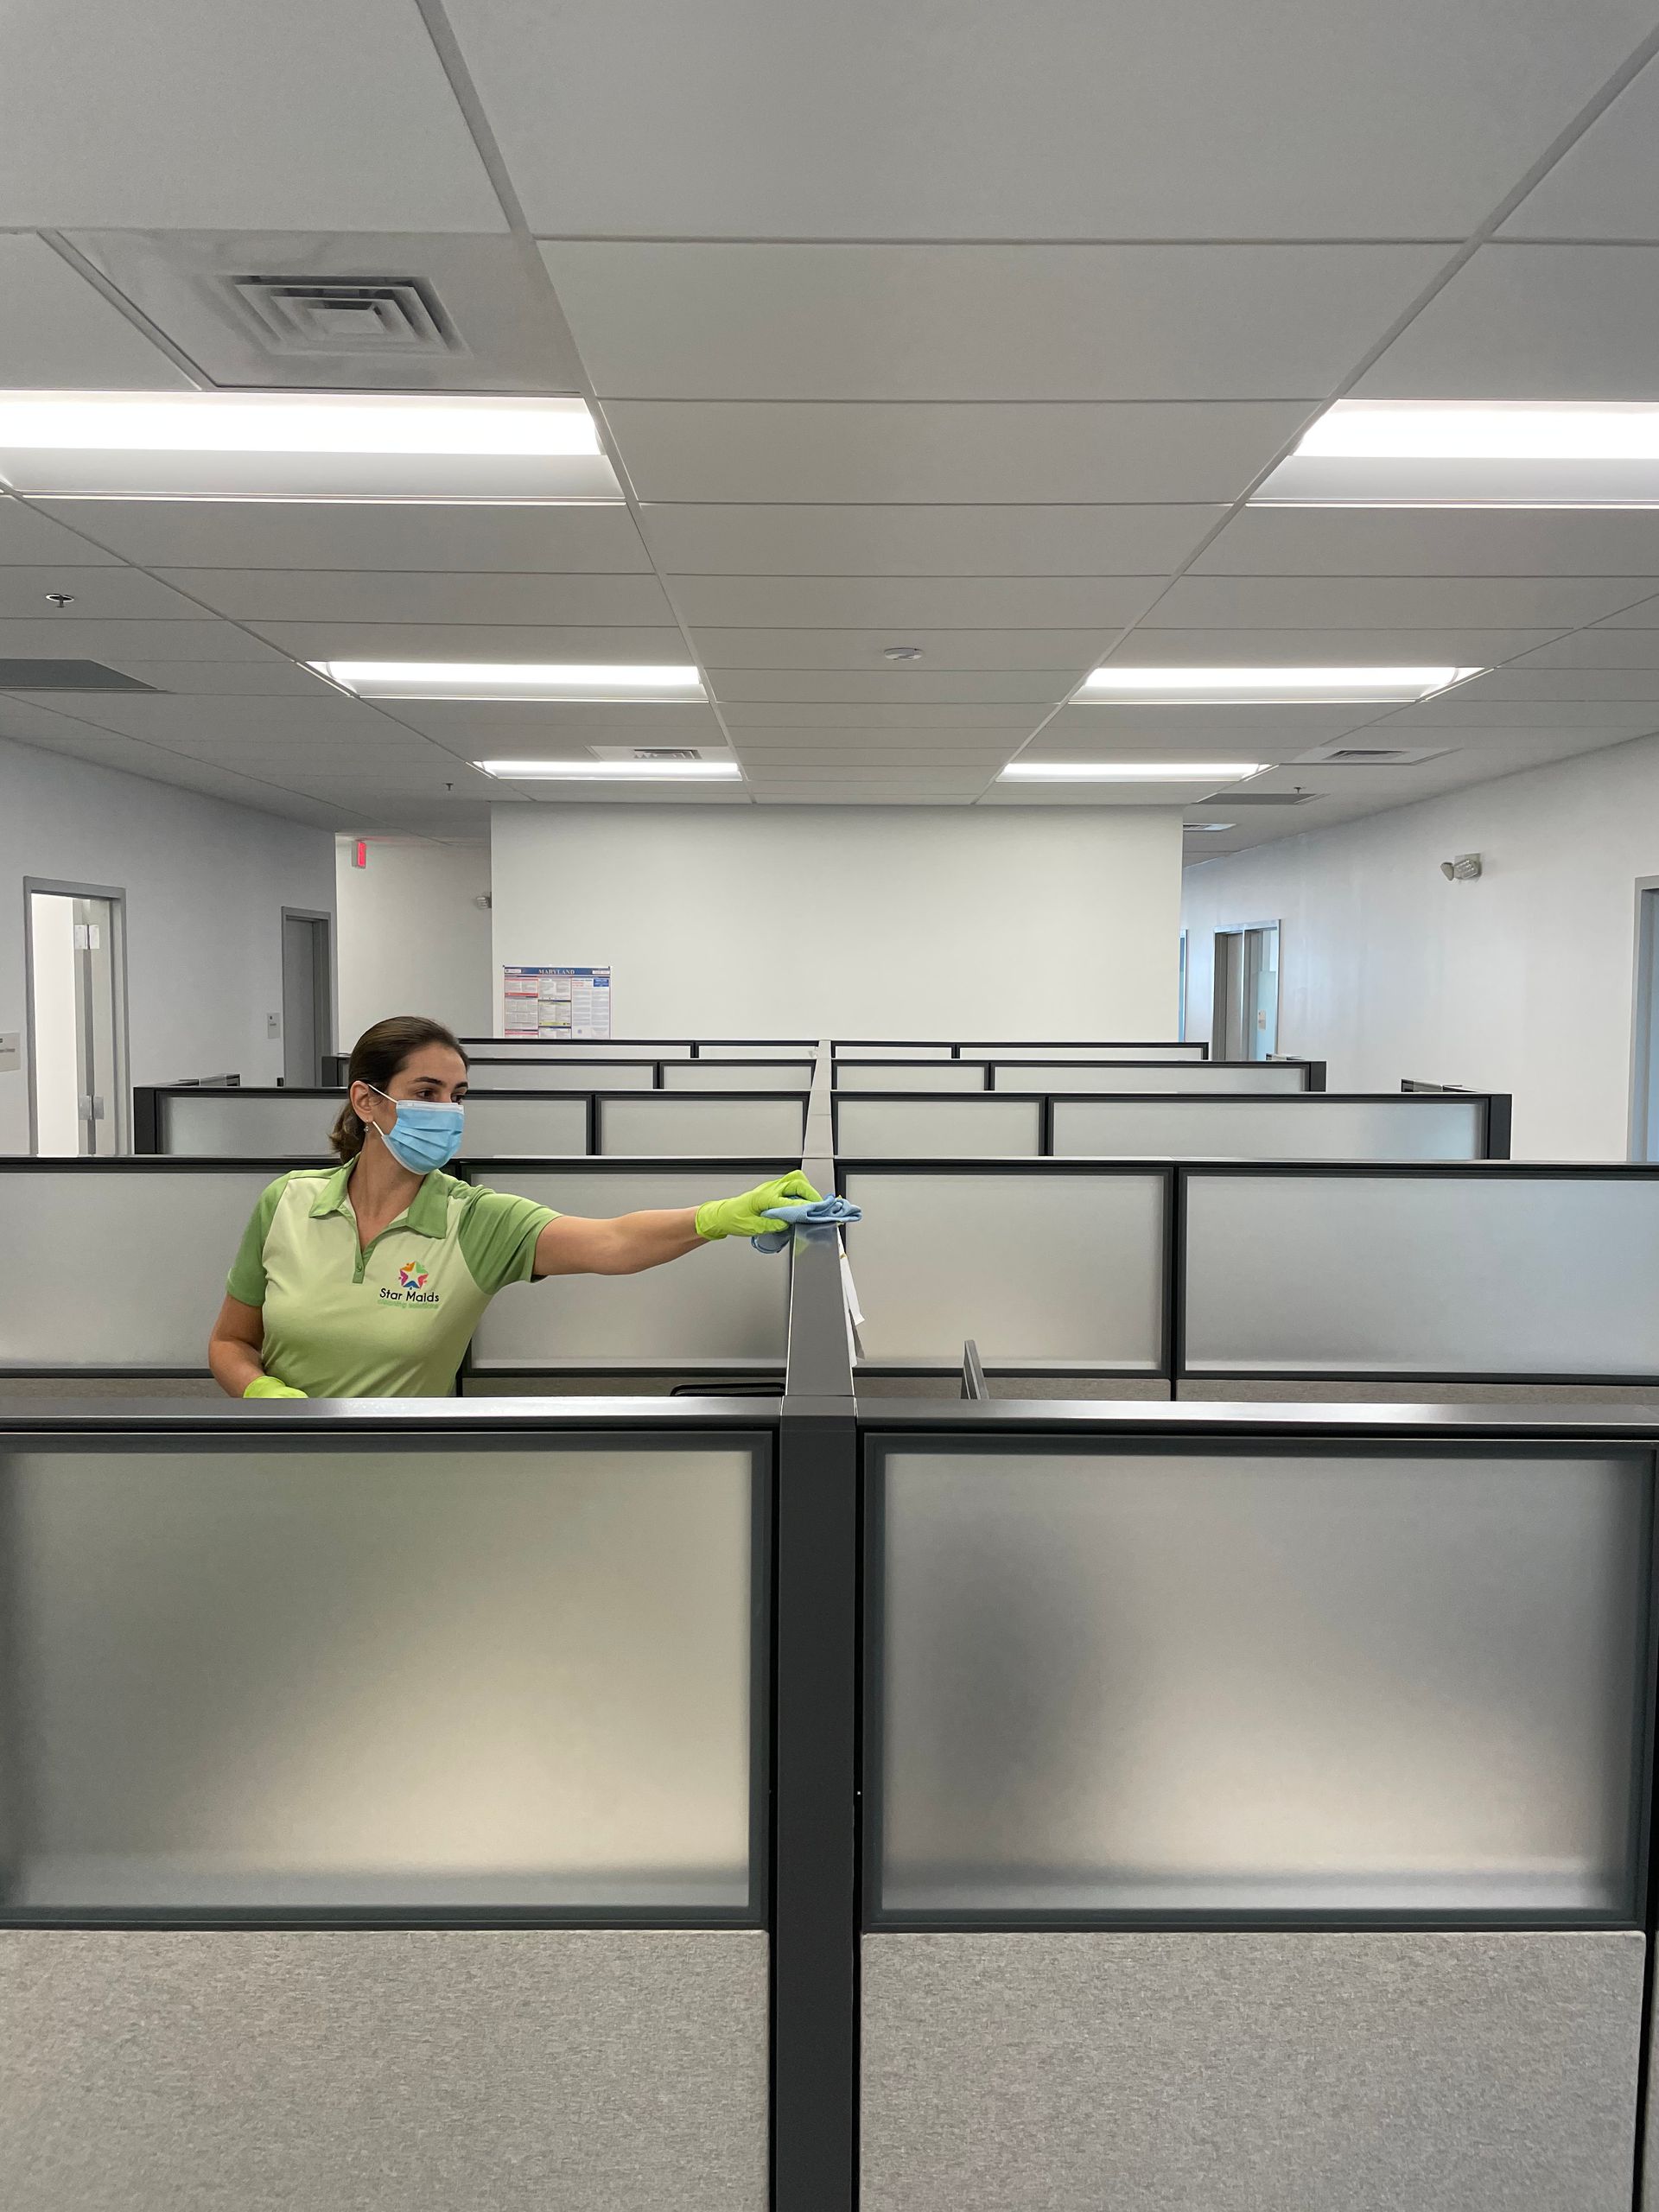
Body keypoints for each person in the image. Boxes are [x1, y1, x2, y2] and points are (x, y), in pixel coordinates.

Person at [208, 1014, 819, 1400]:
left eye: (458, 1095)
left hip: (398, 1475)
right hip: (274, 1456)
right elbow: (231, 1343)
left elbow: (615, 1242)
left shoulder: (474, 1220)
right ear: (366, 1102)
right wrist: (265, 1395)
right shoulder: (287, 1201)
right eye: (427, 1092)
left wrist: (718, 1217)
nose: (448, 1111)